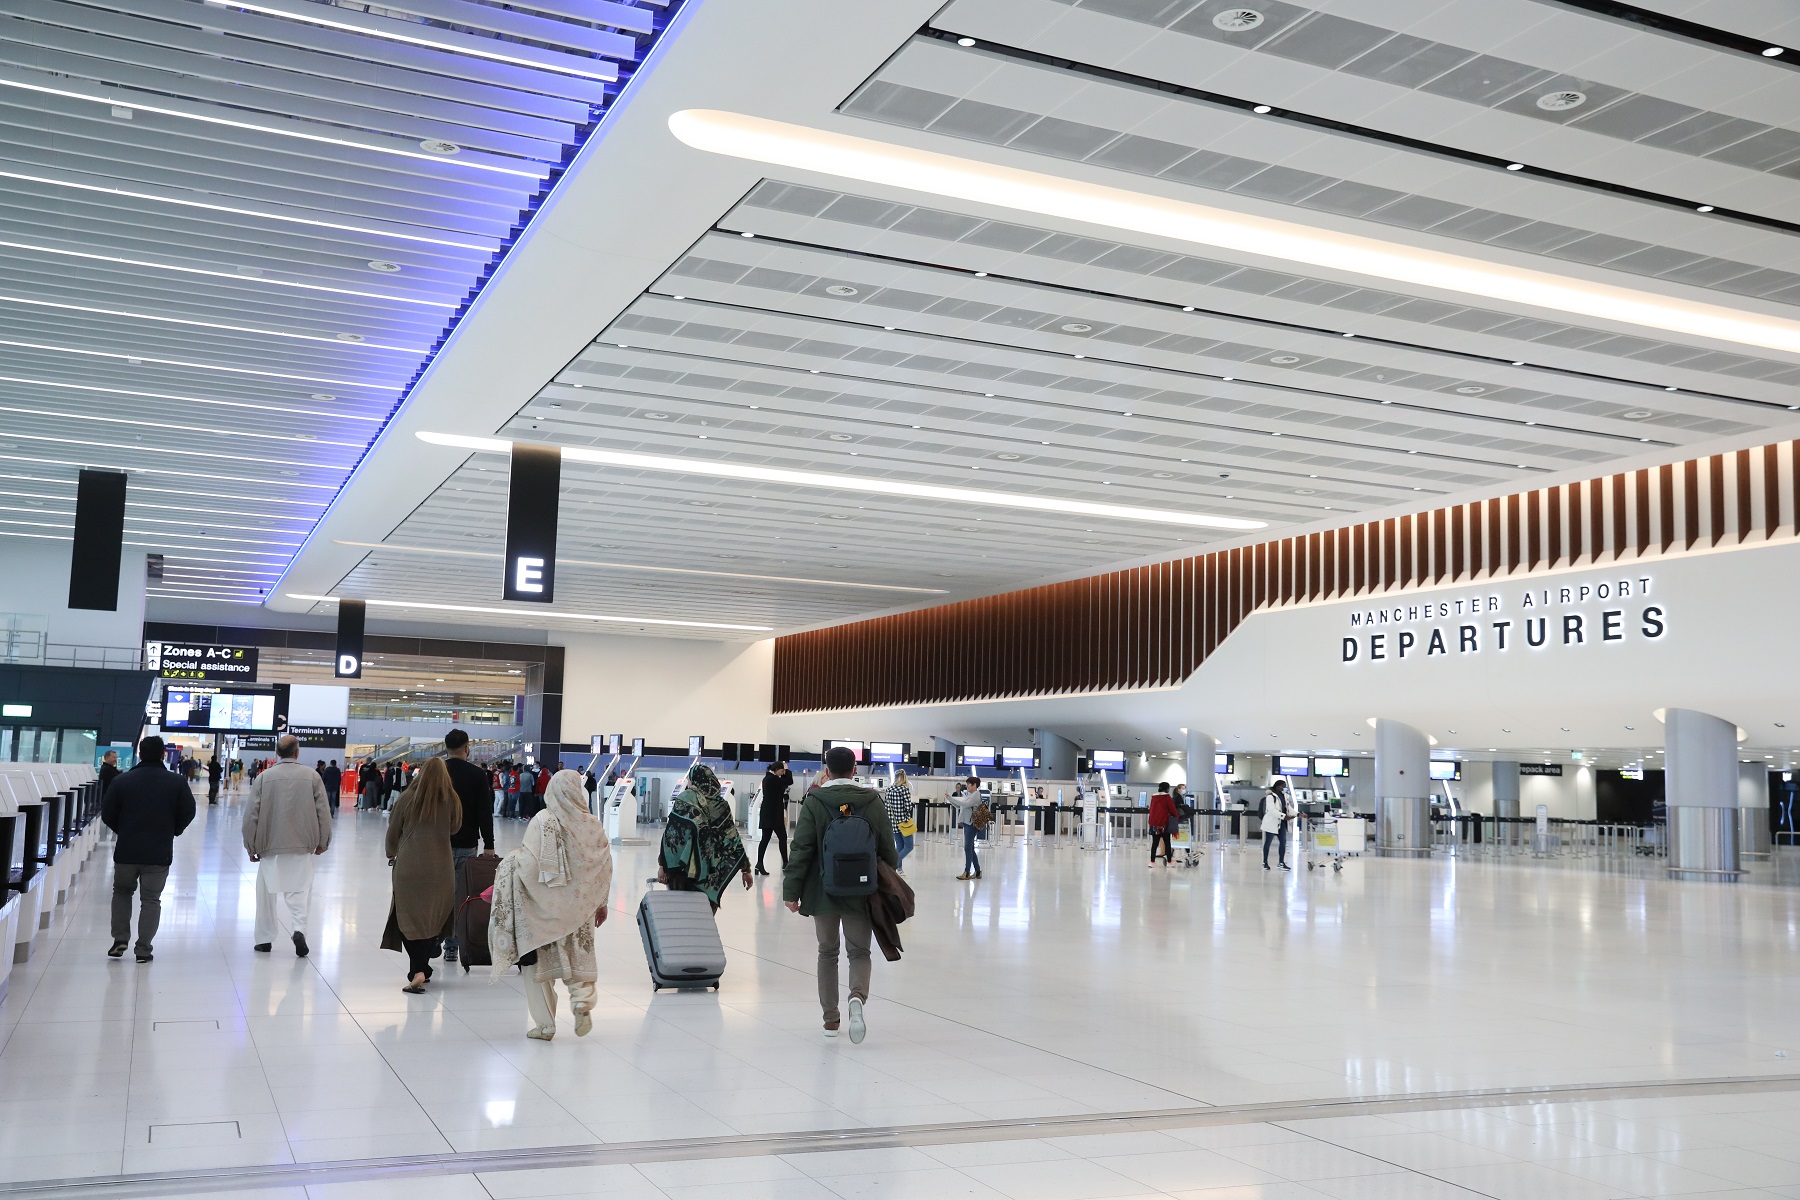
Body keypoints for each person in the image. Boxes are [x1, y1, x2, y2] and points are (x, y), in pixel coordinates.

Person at [782, 744, 899, 1042]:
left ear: (826, 771)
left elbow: (801, 849)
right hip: (862, 890)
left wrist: (791, 890)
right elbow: (888, 849)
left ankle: (830, 1019)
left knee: (827, 952)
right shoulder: (872, 801)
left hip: (823, 891)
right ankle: (856, 998)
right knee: (859, 951)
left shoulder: (815, 801)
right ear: (855, 770)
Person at [489, 770, 612, 1041]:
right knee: (579, 955)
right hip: (581, 909)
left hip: (543, 911)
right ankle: (581, 1002)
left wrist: (508, 863)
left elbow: (529, 865)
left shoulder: (543, 821)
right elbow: (604, 867)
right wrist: (601, 903)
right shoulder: (593, 825)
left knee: (538, 967)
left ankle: (545, 1024)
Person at [101, 735, 196, 963]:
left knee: (122, 892)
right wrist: (174, 830)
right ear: (163, 754)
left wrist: (123, 829)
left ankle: (120, 939)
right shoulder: (176, 782)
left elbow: (107, 813)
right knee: (151, 899)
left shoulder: (122, 781)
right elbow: (189, 811)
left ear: (140, 754)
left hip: (127, 850)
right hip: (158, 851)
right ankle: (143, 949)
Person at [243, 734, 333, 956]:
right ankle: (299, 929)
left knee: (265, 894)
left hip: (269, 844)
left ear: (277, 753)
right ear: (297, 752)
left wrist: (250, 845)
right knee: (300, 891)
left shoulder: (264, 778)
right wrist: (323, 841)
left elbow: (251, 815)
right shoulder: (312, 776)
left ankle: (264, 939)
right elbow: (324, 812)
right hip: (302, 845)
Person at [383, 757, 461, 992]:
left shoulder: (407, 798)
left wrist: (391, 852)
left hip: (409, 867)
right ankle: (421, 968)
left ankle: (418, 970)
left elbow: (393, 832)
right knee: (433, 918)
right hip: (441, 869)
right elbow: (455, 828)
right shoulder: (452, 799)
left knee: (406, 918)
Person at [658, 763, 751, 910]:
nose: (687, 782)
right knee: (702, 919)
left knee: (681, 916)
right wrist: (746, 870)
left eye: (689, 779)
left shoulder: (685, 799)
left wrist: (663, 866)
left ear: (694, 780)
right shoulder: (722, 805)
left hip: (682, 873)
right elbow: (733, 839)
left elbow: (671, 838)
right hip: (709, 873)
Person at [442, 729, 496, 963]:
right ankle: (453, 945)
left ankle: (434, 937)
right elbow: (485, 811)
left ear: (446, 748)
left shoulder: (437, 772)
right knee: (460, 894)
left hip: (438, 843)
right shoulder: (477, 775)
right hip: (467, 843)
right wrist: (489, 844)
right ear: (467, 748)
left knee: (439, 892)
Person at [755, 760, 792, 876]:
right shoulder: (774, 779)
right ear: (777, 770)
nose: (783, 772)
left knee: (765, 838)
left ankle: (759, 863)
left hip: (767, 812)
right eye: (782, 771)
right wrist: (788, 770)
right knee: (782, 836)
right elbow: (789, 781)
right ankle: (785, 862)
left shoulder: (768, 779)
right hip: (774, 813)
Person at [950, 777, 986, 880]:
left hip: (971, 824)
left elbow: (965, 804)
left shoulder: (976, 795)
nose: (967, 786)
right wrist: (950, 799)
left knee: (967, 847)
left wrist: (951, 798)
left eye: (969, 784)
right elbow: (960, 806)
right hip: (967, 823)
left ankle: (967, 871)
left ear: (974, 785)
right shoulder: (969, 794)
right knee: (970, 848)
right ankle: (978, 871)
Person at [882, 769, 915, 874]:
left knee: (900, 846)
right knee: (909, 846)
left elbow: (886, 806)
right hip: (904, 822)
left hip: (893, 821)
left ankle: (899, 870)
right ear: (904, 778)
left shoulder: (889, 789)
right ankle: (893, 864)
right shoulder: (903, 789)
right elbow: (908, 806)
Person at [1262, 777, 1298, 871]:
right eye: (1284, 786)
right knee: (1268, 843)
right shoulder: (1270, 796)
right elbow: (1271, 810)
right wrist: (1283, 816)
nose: (1285, 788)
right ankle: (1265, 862)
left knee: (1283, 843)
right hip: (1272, 822)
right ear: (1278, 787)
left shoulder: (1285, 796)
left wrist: (1297, 814)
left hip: (1282, 823)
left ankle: (1281, 863)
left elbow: (1288, 808)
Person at [1148, 782, 1177, 868]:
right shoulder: (1167, 797)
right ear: (1167, 788)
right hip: (1164, 823)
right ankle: (1169, 861)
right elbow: (1172, 809)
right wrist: (1176, 816)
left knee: (1155, 843)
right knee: (1167, 842)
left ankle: (1152, 862)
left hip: (1154, 823)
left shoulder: (1154, 797)